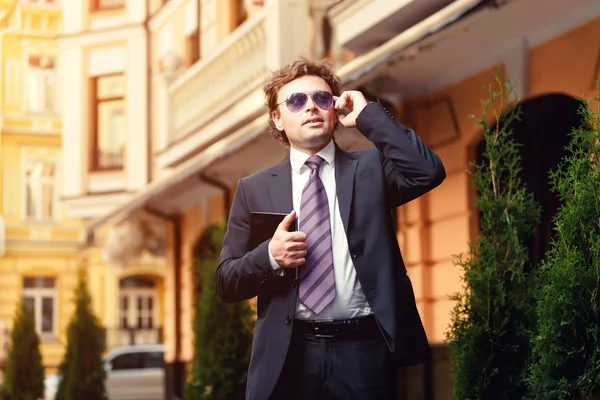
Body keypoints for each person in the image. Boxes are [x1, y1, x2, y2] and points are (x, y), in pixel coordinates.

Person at [215, 58, 446, 400]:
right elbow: (226, 281)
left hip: (363, 350)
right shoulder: (254, 188)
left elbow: (426, 172)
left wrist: (368, 116)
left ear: (335, 108)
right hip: (289, 353)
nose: (311, 107)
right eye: (296, 101)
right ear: (277, 117)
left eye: (322, 99)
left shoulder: (370, 169)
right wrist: (270, 256)